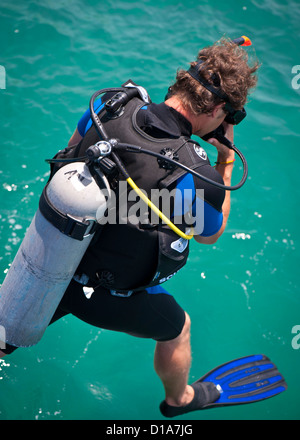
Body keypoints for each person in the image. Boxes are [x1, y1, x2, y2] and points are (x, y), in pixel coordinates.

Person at [0, 38, 259, 416]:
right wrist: (225, 161)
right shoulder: (195, 173)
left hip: (49, 257)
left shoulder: (110, 105)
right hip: (103, 295)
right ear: (219, 109)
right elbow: (210, 234)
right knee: (178, 327)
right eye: (229, 115)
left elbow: (69, 156)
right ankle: (179, 400)